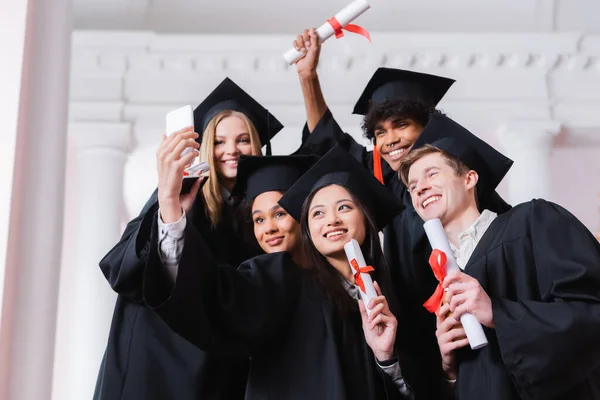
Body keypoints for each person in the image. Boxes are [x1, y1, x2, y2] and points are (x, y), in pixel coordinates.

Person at [292, 29, 514, 397]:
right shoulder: (378, 181)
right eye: (379, 132)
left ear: (428, 127)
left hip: (464, 313)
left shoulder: (455, 183)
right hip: (407, 324)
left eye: (401, 125)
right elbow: (327, 139)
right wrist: (308, 78)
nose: (390, 139)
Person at [143, 147, 414, 399]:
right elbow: (215, 296)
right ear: (307, 227)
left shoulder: (384, 300)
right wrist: (169, 207)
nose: (332, 219)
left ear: (365, 216)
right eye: (318, 212)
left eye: (343, 207)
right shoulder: (279, 278)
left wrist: (386, 358)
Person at [94, 77, 283, 400]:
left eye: (242, 140)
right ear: (206, 146)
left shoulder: (262, 218)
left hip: (217, 374)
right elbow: (124, 268)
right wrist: (171, 211)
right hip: (155, 364)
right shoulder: (179, 193)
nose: (231, 151)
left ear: (257, 147)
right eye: (220, 142)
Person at [399, 114, 600, 400]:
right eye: (413, 185)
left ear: (470, 178)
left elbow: (590, 315)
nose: (420, 187)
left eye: (432, 174)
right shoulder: (442, 278)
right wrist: (450, 368)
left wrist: (498, 313)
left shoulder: (533, 222)